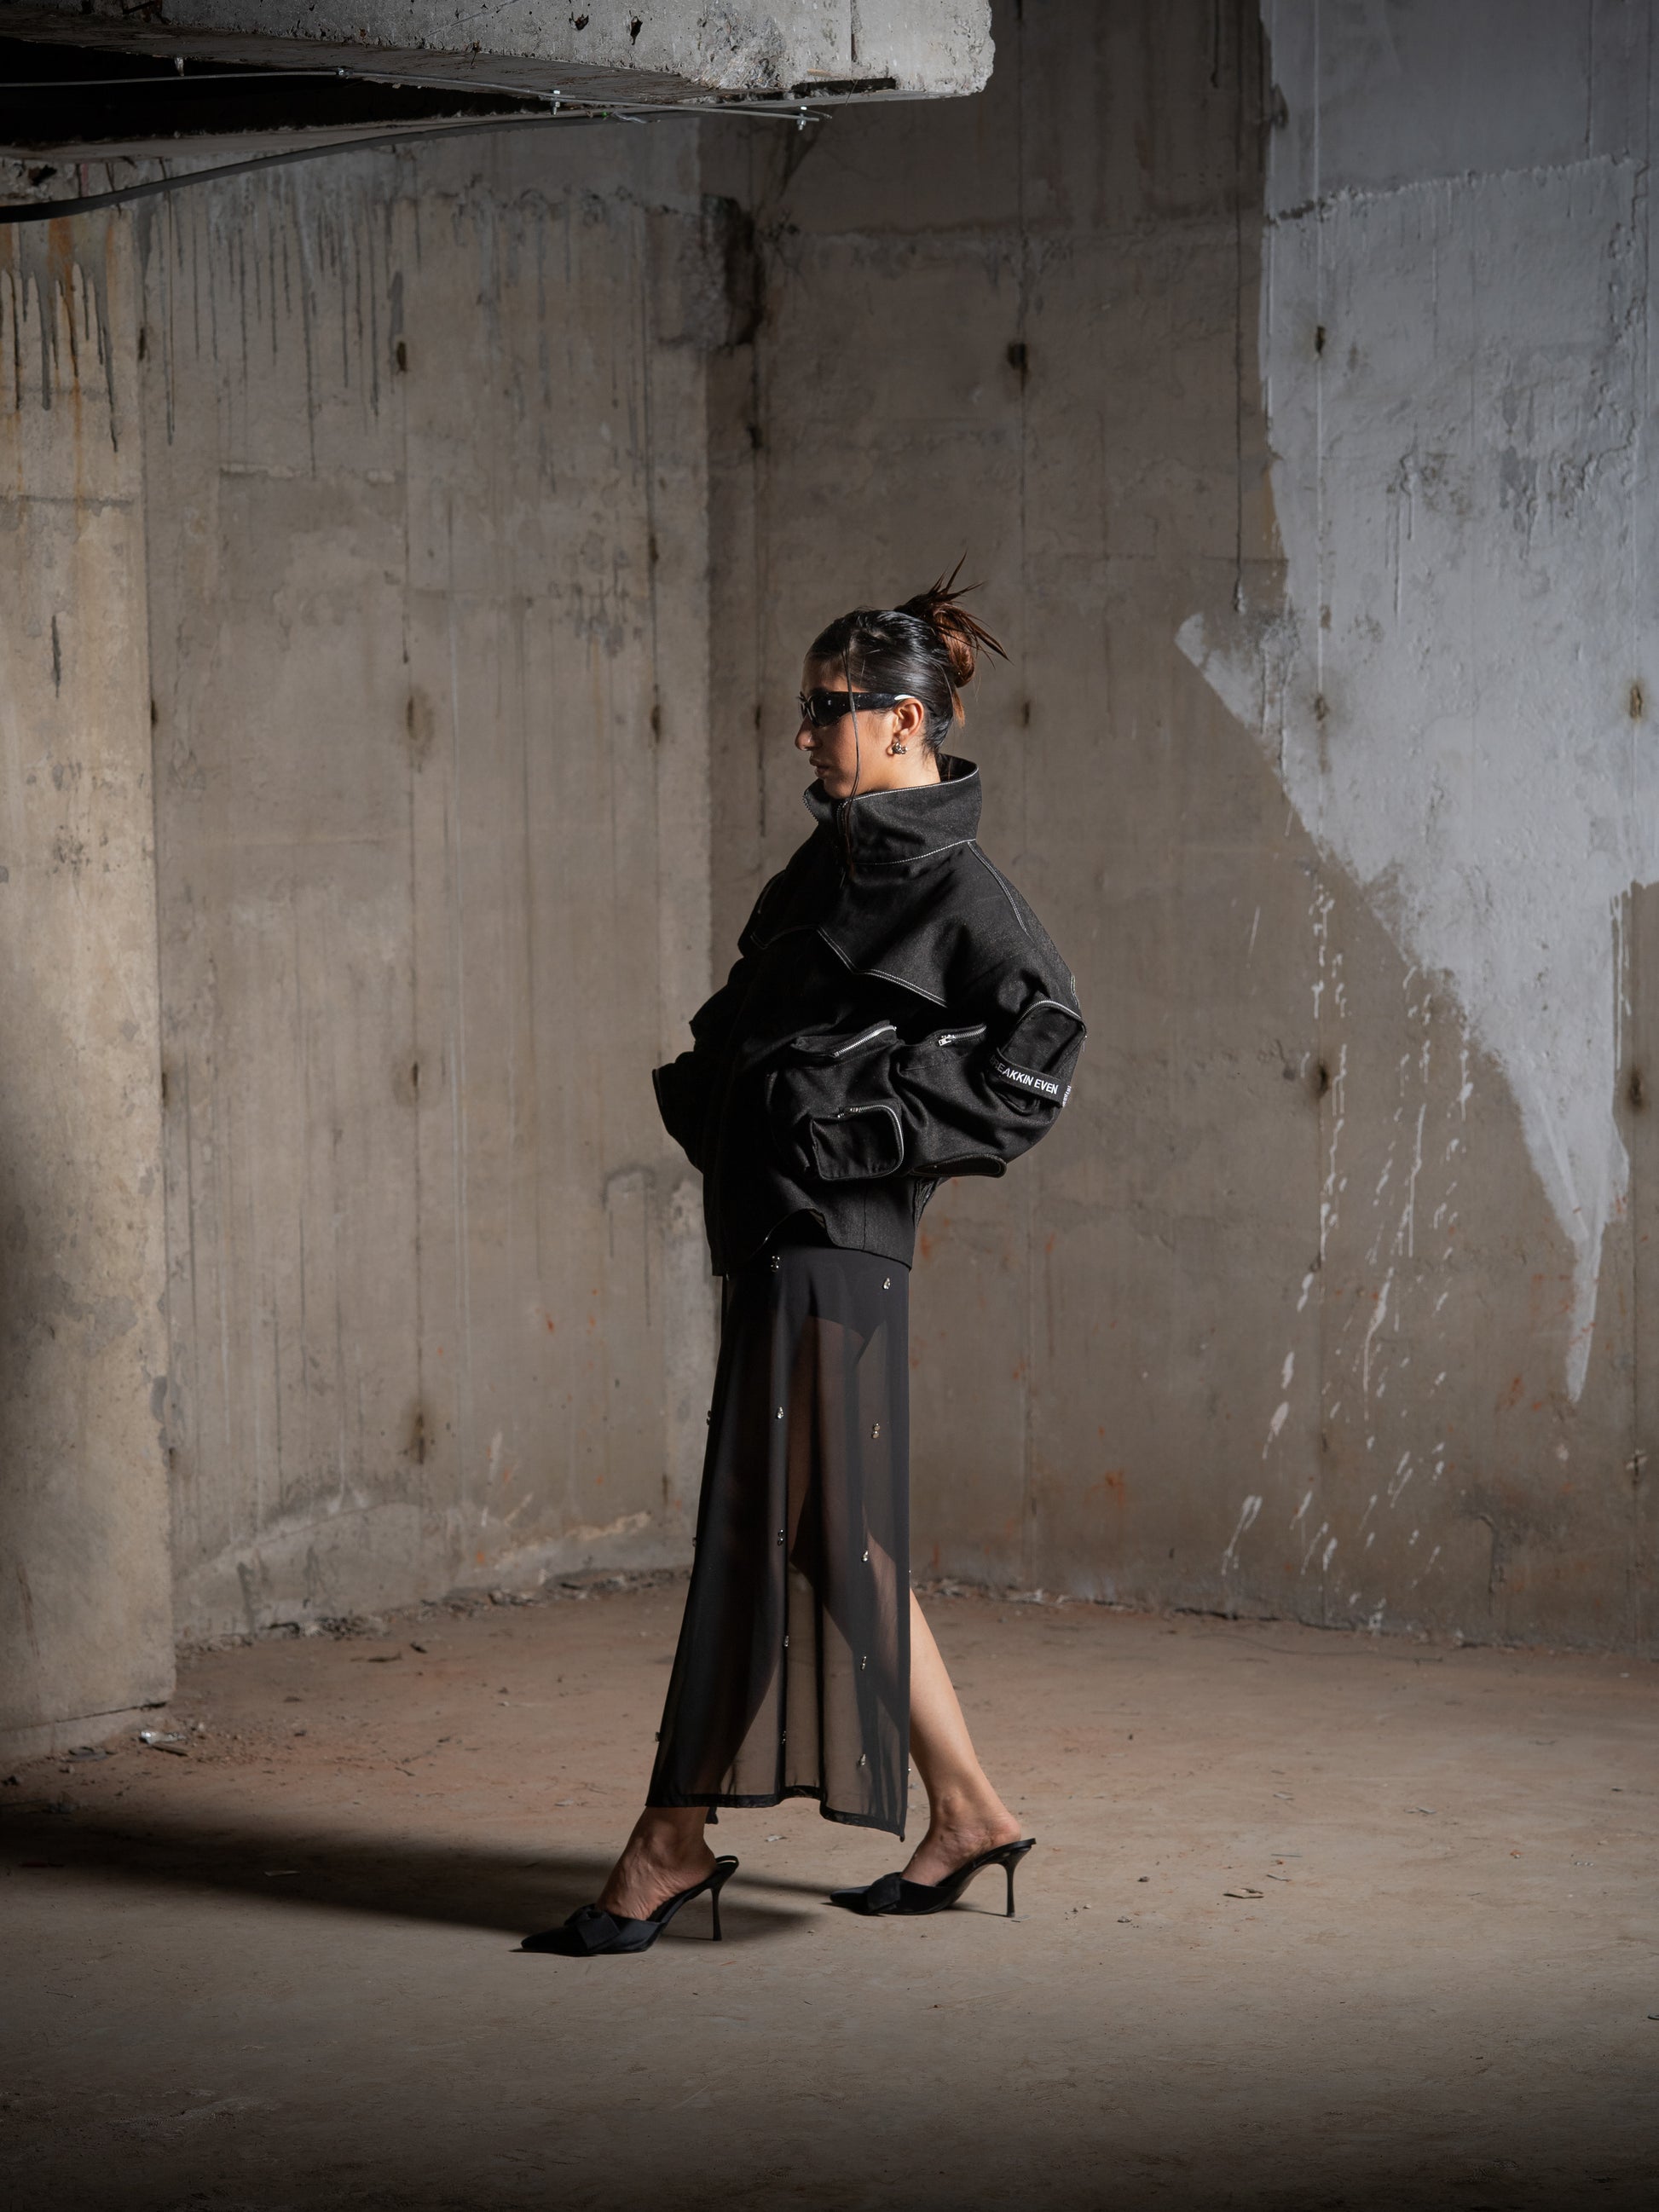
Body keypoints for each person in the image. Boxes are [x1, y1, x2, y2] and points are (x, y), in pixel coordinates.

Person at [523, 573, 1085, 1957]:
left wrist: (837, 1121)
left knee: (755, 1527)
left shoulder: (962, 892)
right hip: (776, 1227)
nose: (802, 736)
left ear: (904, 722)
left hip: (837, 1243)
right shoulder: (822, 870)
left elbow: (1030, 1069)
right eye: (802, 710)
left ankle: (666, 1841)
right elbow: (747, 1024)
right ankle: (969, 1813)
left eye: (825, 711)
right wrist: (743, 1099)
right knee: (831, 1539)